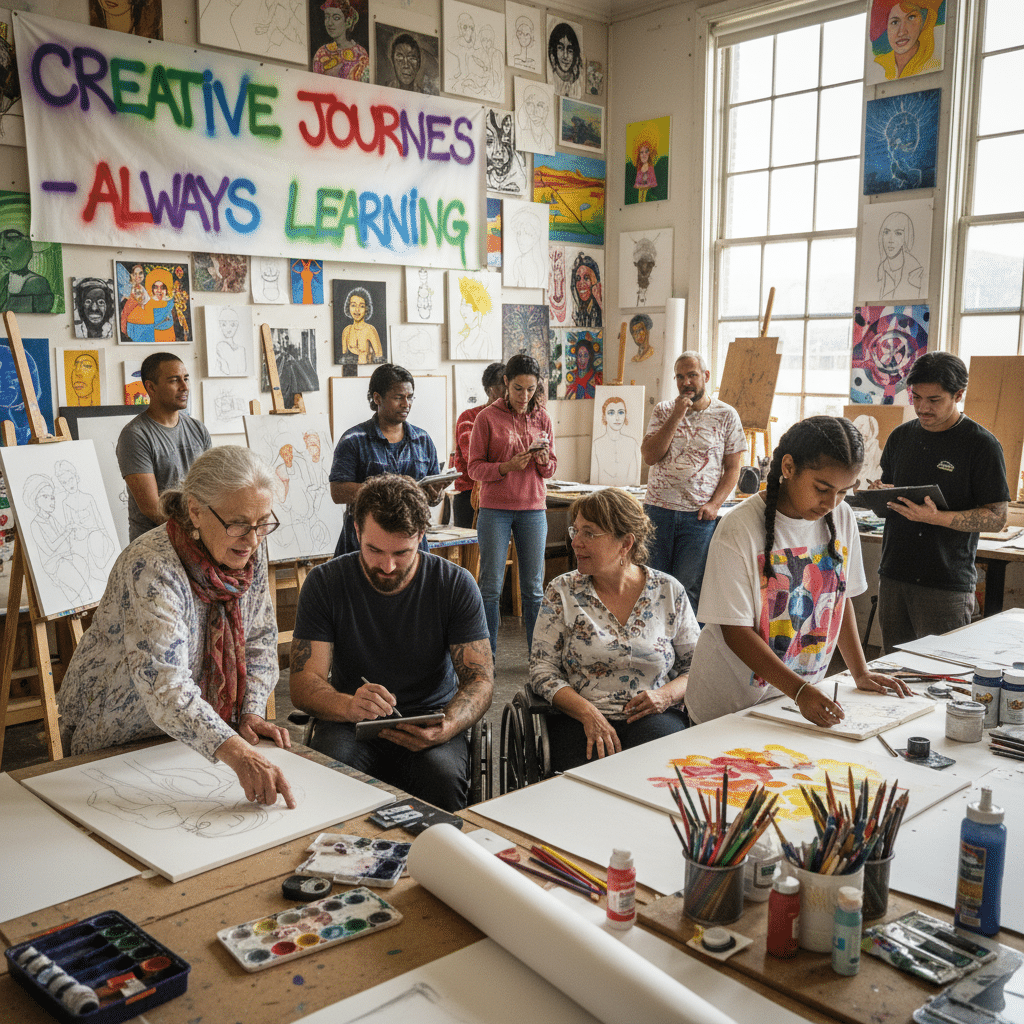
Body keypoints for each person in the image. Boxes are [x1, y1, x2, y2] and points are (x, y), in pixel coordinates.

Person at [57, 446, 295, 809]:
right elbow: (164, 684)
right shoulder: (151, 565)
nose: (252, 539)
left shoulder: (250, 553)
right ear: (196, 511)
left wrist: (251, 710)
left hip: (195, 737)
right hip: (117, 736)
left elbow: (259, 638)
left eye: (263, 522)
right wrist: (239, 754)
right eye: (239, 523)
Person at [684, 417, 910, 726]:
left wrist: (860, 672)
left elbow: (838, 603)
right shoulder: (738, 528)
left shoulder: (841, 518)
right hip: (729, 705)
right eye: (822, 488)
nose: (831, 502)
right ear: (788, 468)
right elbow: (735, 632)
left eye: (844, 491)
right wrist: (799, 690)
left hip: (793, 699)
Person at [289, 475, 493, 811]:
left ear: (421, 537)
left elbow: (481, 679)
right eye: (374, 550)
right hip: (350, 721)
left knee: (443, 783)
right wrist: (347, 706)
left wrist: (449, 725)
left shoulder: (454, 584)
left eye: (402, 552)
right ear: (357, 532)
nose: (387, 566)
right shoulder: (324, 583)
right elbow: (302, 683)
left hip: (431, 719)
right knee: (331, 781)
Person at [531, 490, 699, 771]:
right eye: (576, 531)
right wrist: (588, 714)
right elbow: (542, 671)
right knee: (585, 780)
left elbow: (697, 666)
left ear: (625, 543)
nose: (575, 542)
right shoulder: (562, 591)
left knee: (662, 770)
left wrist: (665, 696)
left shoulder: (668, 591)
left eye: (589, 533)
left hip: (653, 716)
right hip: (579, 718)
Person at [869, 352, 1009, 652]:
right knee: (891, 669)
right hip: (894, 572)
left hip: (945, 583)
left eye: (934, 400)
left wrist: (937, 518)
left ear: (958, 395)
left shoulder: (981, 445)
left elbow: (997, 518)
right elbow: (892, 488)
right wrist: (882, 491)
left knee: (939, 675)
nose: (922, 407)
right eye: (916, 397)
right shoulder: (901, 437)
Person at [641, 351, 746, 613]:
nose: (686, 382)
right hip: (658, 511)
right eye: (680, 377)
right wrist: (676, 416)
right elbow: (650, 456)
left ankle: (689, 653)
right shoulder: (664, 410)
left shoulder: (726, 415)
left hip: (697, 518)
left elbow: (733, 469)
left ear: (706, 376)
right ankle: (656, 650)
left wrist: (715, 504)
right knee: (652, 585)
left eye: (692, 375)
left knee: (687, 589)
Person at [469, 353, 556, 657]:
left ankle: (539, 658)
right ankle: (487, 657)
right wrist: (505, 467)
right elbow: (474, 469)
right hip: (495, 510)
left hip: (533, 508)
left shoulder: (542, 416)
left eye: (531, 389)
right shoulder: (486, 418)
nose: (524, 396)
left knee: (533, 589)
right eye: (518, 388)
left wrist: (544, 461)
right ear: (505, 383)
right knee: (491, 586)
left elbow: (551, 468)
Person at [329, 363, 443, 556]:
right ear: (377, 398)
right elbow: (338, 492)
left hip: (412, 543)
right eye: (398, 397)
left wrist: (435, 494)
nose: (406, 404)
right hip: (364, 543)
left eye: (410, 397)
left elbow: (433, 496)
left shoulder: (422, 440)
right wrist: (393, 490)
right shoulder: (354, 439)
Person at [116, 353, 212, 542]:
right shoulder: (135, 435)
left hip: (197, 538)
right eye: (174, 380)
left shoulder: (198, 429)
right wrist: (199, 529)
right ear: (150, 387)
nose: (184, 387)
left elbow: (211, 487)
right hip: (155, 546)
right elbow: (153, 508)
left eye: (185, 379)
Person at [452, 362, 505, 528]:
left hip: (504, 495)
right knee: (471, 551)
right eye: (503, 386)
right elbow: (475, 459)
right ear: (489, 389)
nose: (508, 391)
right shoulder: (469, 418)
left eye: (511, 385)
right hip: (470, 495)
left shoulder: (514, 418)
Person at [874, 1, 941, 80]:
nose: (902, 32)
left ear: (924, 21)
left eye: (911, 17)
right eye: (895, 22)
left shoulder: (934, 63)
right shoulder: (878, 64)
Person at [312, 0, 369, 82]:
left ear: (348, 22)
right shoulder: (322, 52)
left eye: (336, 18)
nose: (329, 23)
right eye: (327, 17)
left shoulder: (360, 53)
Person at [592, 396, 640, 486]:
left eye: (621, 412)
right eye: (611, 413)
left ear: (625, 415)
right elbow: (595, 480)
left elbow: (634, 480)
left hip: (627, 494)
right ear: (604, 416)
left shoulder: (632, 443)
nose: (617, 418)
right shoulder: (596, 444)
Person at [877, 210, 924, 300]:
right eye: (886, 232)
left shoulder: (915, 272)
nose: (891, 240)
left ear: (906, 237)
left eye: (898, 233)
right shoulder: (881, 269)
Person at [341, 287, 383, 364]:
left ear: (366, 309)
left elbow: (379, 357)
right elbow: (343, 358)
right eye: (353, 305)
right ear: (348, 307)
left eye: (361, 306)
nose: (357, 310)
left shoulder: (370, 330)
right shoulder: (346, 331)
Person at [548, 21, 582, 97]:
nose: (565, 56)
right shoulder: (552, 81)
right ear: (554, 50)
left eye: (570, 51)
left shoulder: (576, 85)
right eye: (560, 48)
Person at [570, 251, 602, 328]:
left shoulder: (598, 312)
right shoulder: (577, 314)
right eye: (578, 279)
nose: (581, 283)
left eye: (586, 278)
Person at [566, 335, 600, 399]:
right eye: (580, 355)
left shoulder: (597, 378)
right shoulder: (571, 377)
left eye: (586, 355)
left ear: (590, 357)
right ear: (576, 356)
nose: (582, 359)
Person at [633, 133, 659, 202]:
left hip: (648, 195)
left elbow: (652, 183)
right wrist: (640, 186)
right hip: (640, 195)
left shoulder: (650, 168)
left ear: (649, 153)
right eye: (641, 152)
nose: (644, 155)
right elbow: (637, 183)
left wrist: (643, 186)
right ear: (639, 155)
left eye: (646, 152)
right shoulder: (639, 169)